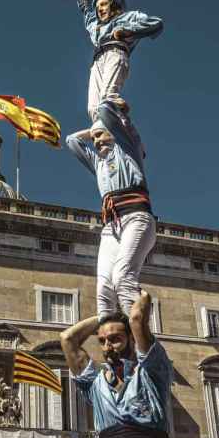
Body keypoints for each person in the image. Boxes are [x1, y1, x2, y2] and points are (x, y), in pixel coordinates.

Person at [61, 292, 185, 438]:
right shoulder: (94, 382)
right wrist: (102, 317)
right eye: (102, 341)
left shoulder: (152, 374)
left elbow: (137, 317)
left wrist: (137, 293)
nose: (108, 347)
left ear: (131, 338)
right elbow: (67, 339)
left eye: (115, 339)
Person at [66, 101, 156, 321]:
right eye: (94, 138)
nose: (96, 141)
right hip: (111, 226)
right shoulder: (99, 163)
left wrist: (109, 111)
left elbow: (106, 110)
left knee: (123, 278)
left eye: (101, 135)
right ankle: (113, 346)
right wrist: (94, 128)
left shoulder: (129, 150)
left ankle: (142, 344)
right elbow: (72, 141)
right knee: (104, 289)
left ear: (115, 132)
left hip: (136, 218)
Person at [78, 0, 163, 120]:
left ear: (114, 4)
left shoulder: (128, 17)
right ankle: (105, 133)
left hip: (115, 52)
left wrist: (128, 31)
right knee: (93, 108)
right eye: (97, 7)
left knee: (108, 97)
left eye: (103, 4)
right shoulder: (96, 26)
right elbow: (88, 15)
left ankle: (120, 119)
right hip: (97, 61)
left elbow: (156, 23)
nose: (99, 9)